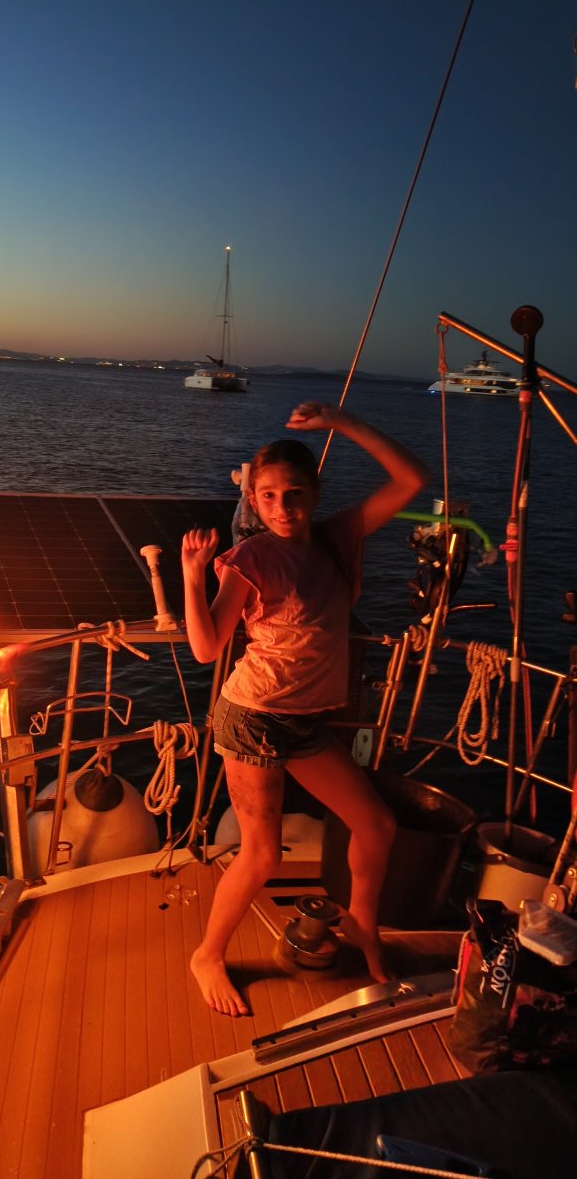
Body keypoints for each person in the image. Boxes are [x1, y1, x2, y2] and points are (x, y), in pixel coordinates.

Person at [181, 401, 429, 1017]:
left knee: (376, 825)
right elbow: (210, 648)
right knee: (262, 854)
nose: (282, 508)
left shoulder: (339, 538)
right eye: (267, 497)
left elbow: (412, 480)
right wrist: (190, 578)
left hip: (308, 722)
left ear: (315, 494)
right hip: (254, 720)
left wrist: (343, 422)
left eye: (294, 494)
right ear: (254, 503)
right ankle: (208, 954)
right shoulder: (250, 559)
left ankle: (362, 929)